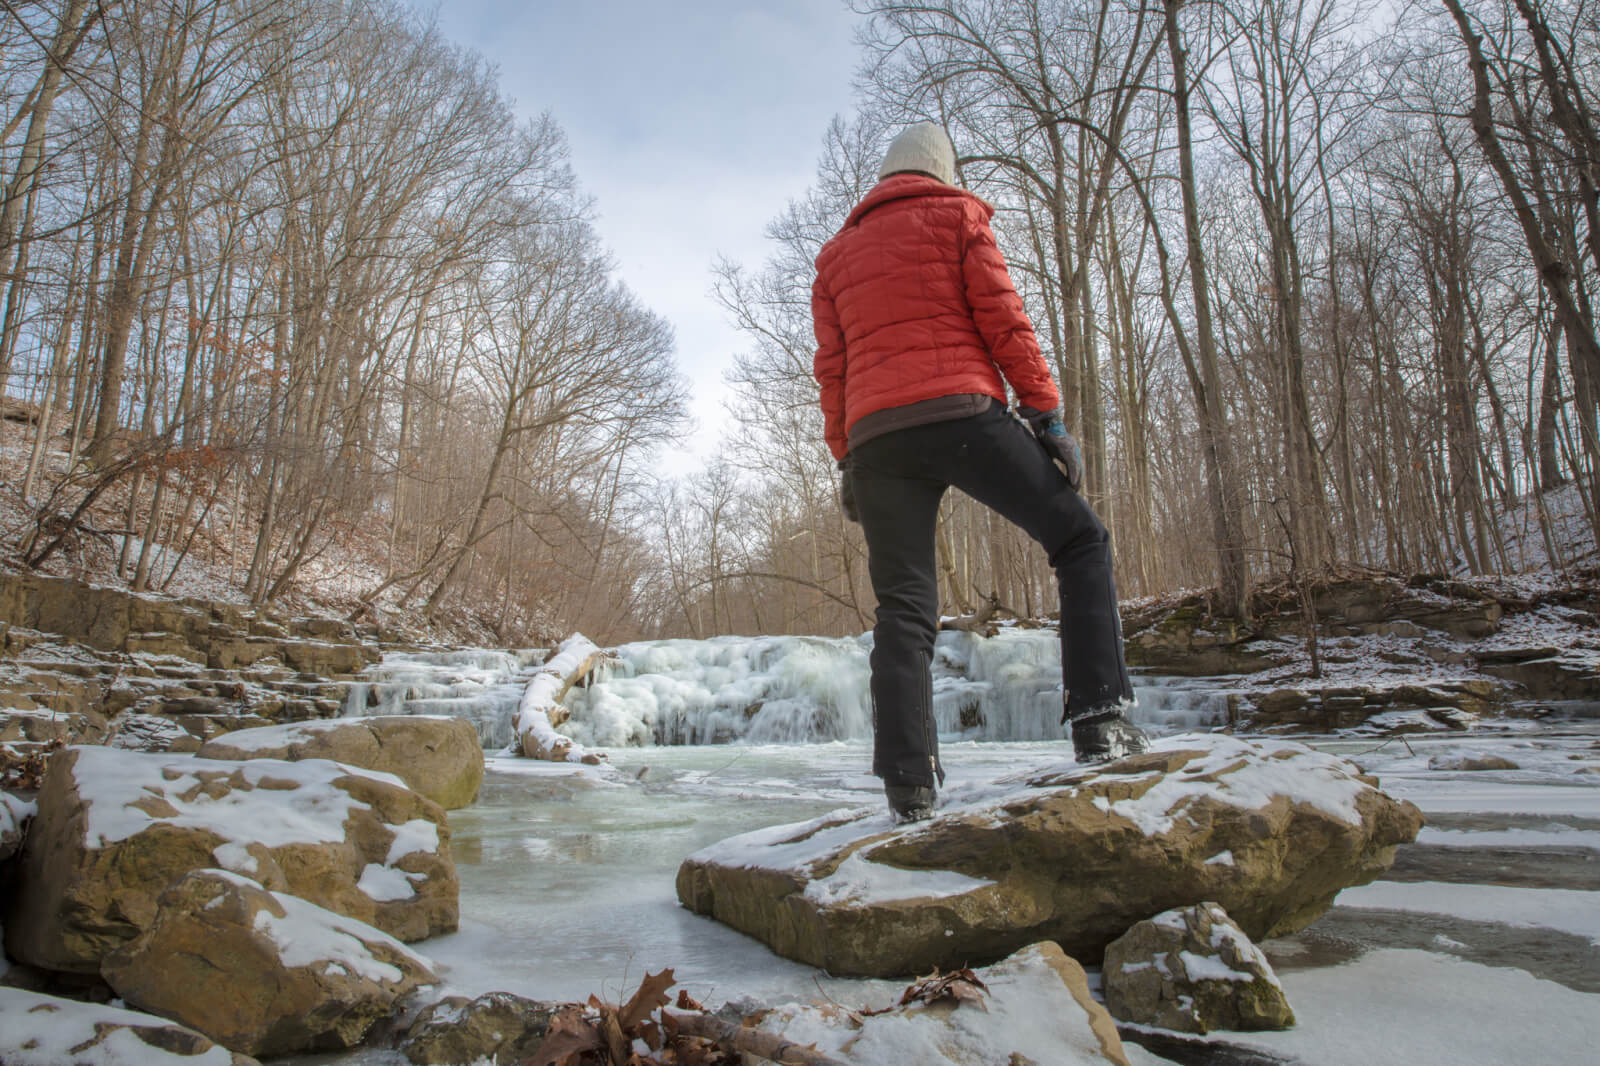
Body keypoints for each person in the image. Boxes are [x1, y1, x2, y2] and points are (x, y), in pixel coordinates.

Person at [811, 121, 1150, 823]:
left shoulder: (835, 257)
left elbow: (832, 370)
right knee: (1080, 539)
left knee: (904, 610)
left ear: (886, 174)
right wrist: (1047, 416)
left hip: (878, 438)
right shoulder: (959, 216)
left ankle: (908, 782)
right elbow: (1005, 320)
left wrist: (846, 455)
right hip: (962, 413)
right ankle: (1101, 720)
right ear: (943, 171)